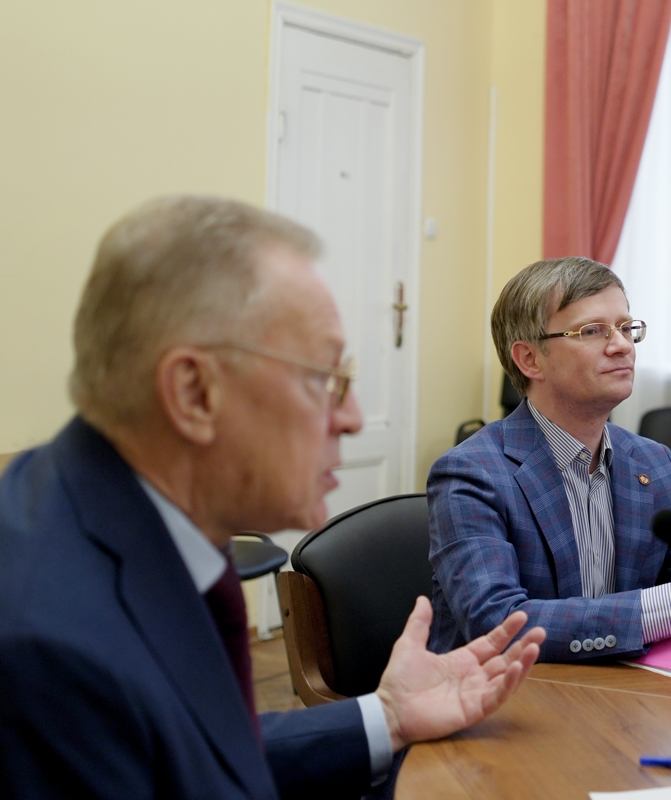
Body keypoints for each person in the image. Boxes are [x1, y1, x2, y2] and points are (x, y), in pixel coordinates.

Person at [0, 196, 546, 800]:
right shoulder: (47, 649)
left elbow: (188, 751)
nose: (352, 417)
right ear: (194, 393)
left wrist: (387, 717)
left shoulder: (132, 513)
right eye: (325, 379)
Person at [427, 256, 671, 662]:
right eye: (592, 331)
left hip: (632, 689)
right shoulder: (472, 473)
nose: (622, 345)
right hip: (511, 692)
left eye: (626, 328)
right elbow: (497, 623)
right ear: (530, 359)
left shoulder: (655, 463)